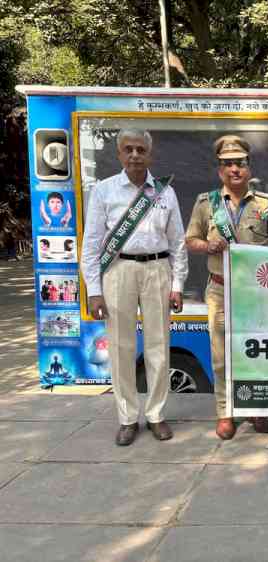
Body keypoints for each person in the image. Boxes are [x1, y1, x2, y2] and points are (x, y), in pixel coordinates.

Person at [81, 129, 188, 446]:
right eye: (128, 149)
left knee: (158, 346)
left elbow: (177, 242)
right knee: (120, 347)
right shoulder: (104, 191)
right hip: (118, 270)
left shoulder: (165, 193)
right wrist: (94, 290)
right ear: (118, 154)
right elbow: (91, 246)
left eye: (141, 149)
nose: (135, 155)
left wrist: (178, 283)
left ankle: (156, 414)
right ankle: (127, 418)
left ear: (150, 155)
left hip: (157, 269)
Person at [186, 135, 268, 440]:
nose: (234, 170)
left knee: (255, 352)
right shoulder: (206, 204)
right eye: (228, 164)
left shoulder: (267, 204)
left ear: (249, 168)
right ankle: (225, 412)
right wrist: (208, 245)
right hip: (220, 290)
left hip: (256, 293)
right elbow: (190, 240)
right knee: (221, 356)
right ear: (220, 170)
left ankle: (256, 408)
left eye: (240, 164)